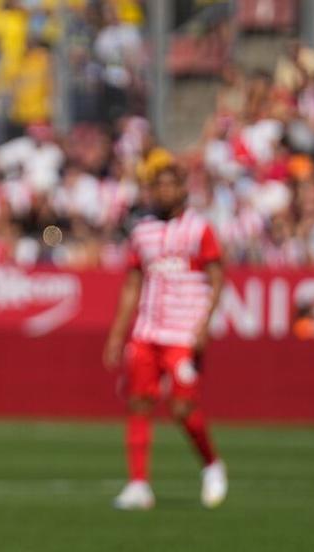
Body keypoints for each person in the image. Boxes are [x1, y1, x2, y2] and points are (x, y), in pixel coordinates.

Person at [103, 163, 228, 511]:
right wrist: (117, 334)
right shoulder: (142, 231)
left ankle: (211, 465)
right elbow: (132, 284)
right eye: (158, 186)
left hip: (184, 332)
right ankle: (139, 485)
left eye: (171, 185)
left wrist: (204, 325)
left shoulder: (199, 229)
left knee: (183, 407)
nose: (164, 192)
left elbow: (218, 277)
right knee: (139, 402)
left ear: (183, 189)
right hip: (147, 331)